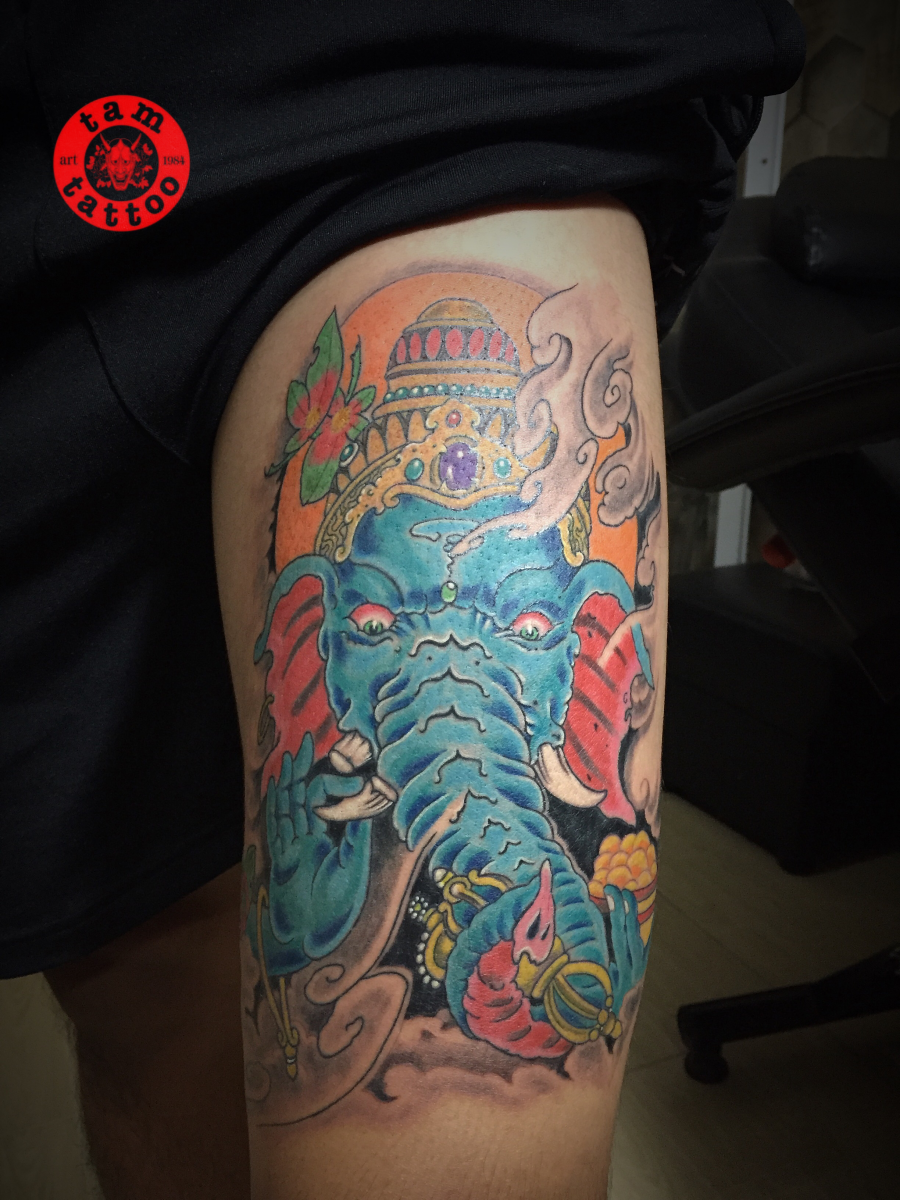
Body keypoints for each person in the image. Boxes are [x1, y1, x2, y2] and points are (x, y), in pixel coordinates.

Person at [1, 3, 804, 1196]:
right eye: (371, 624)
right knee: (148, 958)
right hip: (40, 177)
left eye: (529, 626)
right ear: (313, 644)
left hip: (458, 67)